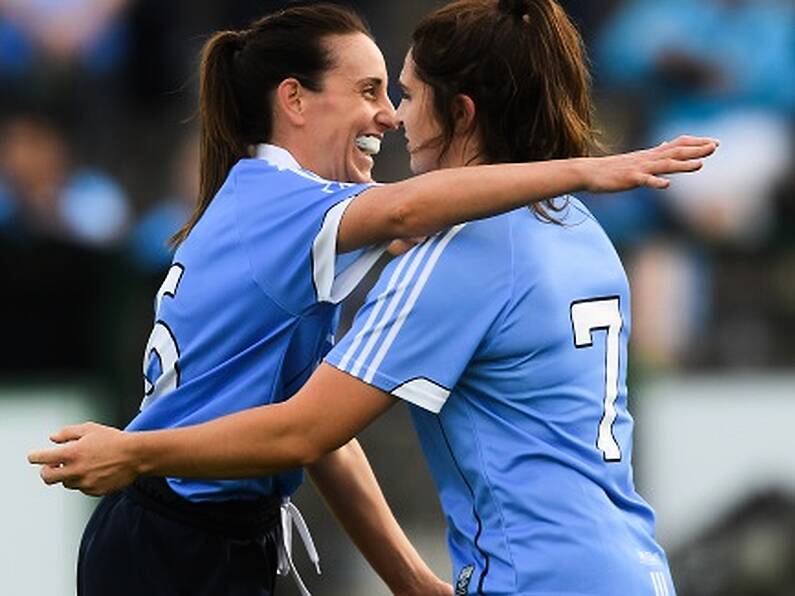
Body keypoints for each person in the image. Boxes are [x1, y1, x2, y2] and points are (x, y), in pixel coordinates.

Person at [30, 1, 717, 595]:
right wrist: (583, 171)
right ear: (293, 100)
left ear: (462, 110)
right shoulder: (575, 226)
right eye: (372, 91)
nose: (390, 116)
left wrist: (138, 450)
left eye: (405, 94)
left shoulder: (450, 246)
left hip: (526, 574)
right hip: (627, 564)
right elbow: (314, 421)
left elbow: (311, 424)